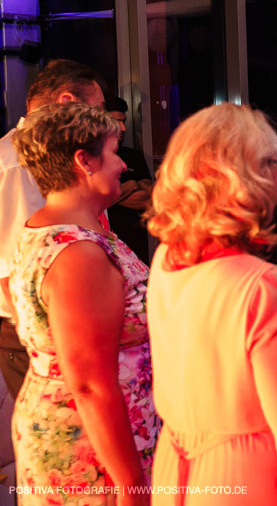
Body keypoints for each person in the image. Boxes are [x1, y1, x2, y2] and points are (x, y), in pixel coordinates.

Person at [145, 103, 277, 505]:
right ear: (236, 178)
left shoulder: (167, 259)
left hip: (177, 469)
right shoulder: (265, 286)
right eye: (270, 164)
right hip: (252, 477)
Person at [9, 102, 159, 503]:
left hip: (87, 429)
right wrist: (131, 485)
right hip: (93, 446)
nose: (124, 165)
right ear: (84, 161)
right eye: (114, 152)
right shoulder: (77, 252)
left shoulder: (52, 229)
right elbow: (91, 384)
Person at [0, 58, 105, 398]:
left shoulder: (50, 157)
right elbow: (9, 267)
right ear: (68, 102)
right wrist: (45, 345)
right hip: (42, 333)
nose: (103, 121)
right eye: (99, 109)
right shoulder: (17, 163)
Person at [105, 96, 153, 262]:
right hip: (108, 244)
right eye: (117, 121)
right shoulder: (95, 158)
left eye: (124, 121)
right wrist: (132, 184)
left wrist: (110, 196)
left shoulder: (134, 156)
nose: (123, 128)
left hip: (137, 244)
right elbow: (94, 199)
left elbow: (148, 196)